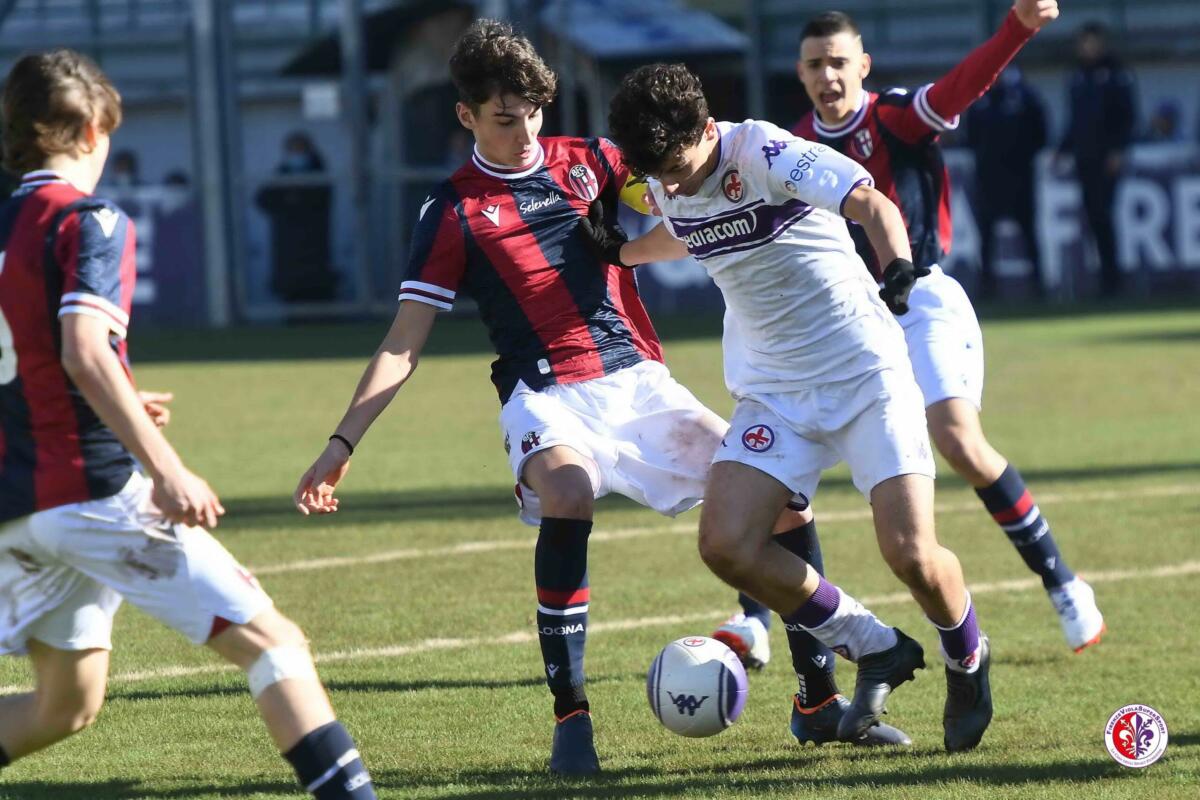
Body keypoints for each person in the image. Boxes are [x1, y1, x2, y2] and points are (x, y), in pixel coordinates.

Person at [292, 20, 910, 776]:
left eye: (534, 114)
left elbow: (686, 194)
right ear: (466, 116)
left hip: (640, 381)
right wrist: (340, 443)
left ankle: (816, 700)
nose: (524, 133)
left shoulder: (593, 161)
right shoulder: (452, 212)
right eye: (503, 118)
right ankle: (572, 720)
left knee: (784, 508)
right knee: (569, 492)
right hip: (545, 393)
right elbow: (402, 341)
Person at [0, 50, 377, 799]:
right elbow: (81, 350)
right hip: (93, 492)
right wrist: (167, 466)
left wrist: (115, 404)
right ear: (82, 129)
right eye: (106, 131)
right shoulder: (89, 219)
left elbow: (33, 362)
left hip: (17, 506)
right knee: (276, 647)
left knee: (64, 705)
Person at [713, 1, 1105, 714]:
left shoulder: (891, 117)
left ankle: (1061, 582)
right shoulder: (788, 144)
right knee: (781, 463)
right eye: (814, 64)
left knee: (957, 438)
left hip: (918, 296)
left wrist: (1016, 28)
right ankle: (755, 615)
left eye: (839, 61)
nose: (828, 75)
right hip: (843, 323)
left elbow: (955, 90)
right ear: (798, 74)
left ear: (864, 65)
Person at [605, 62, 993, 753]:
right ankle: (875, 645)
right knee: (726, 546)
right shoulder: (666, 176)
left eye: (673, 166)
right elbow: (684, 227)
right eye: (654, 174)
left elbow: (870, 200)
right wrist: (623, 252)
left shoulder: (763, 150)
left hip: (866, 378)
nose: (666, 184)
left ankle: (968, 659)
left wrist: (897, 267)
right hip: (775, 396)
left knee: (913, 557)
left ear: (703, 129)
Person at [1058, 21, 1137, 297]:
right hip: (1085, 158)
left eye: (1091, 42)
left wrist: (1118, 150)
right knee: (1093, 218)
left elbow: (1127, 117)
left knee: (1105, 216)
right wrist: (1062, 149)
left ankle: (1113, 278)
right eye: (1083, 42)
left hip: (1107, 158)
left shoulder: (1116, 74)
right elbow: (1075, 122)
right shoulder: (1078, 77)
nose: (1087, 48)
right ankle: (1104, 278)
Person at [965, 66, 1048, 298]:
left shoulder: (1024, 95)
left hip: (1020, 176)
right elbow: (971, 136)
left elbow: (1040, 132)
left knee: (1029, 230)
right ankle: (987, 287)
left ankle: (1038, 284)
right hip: (988, 178)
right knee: (986, 234)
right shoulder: (979, 97)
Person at [255, 131, 337, 303]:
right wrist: (289, 200)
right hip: (288, 247)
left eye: (300, 150)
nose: (296, 155)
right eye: (292, 150)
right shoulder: (282, 172)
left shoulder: (318, 171)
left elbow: (316, 201)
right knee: (292, 293)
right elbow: (263, 199)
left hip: (313, 245)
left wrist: (291, 199)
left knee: (316, 294)